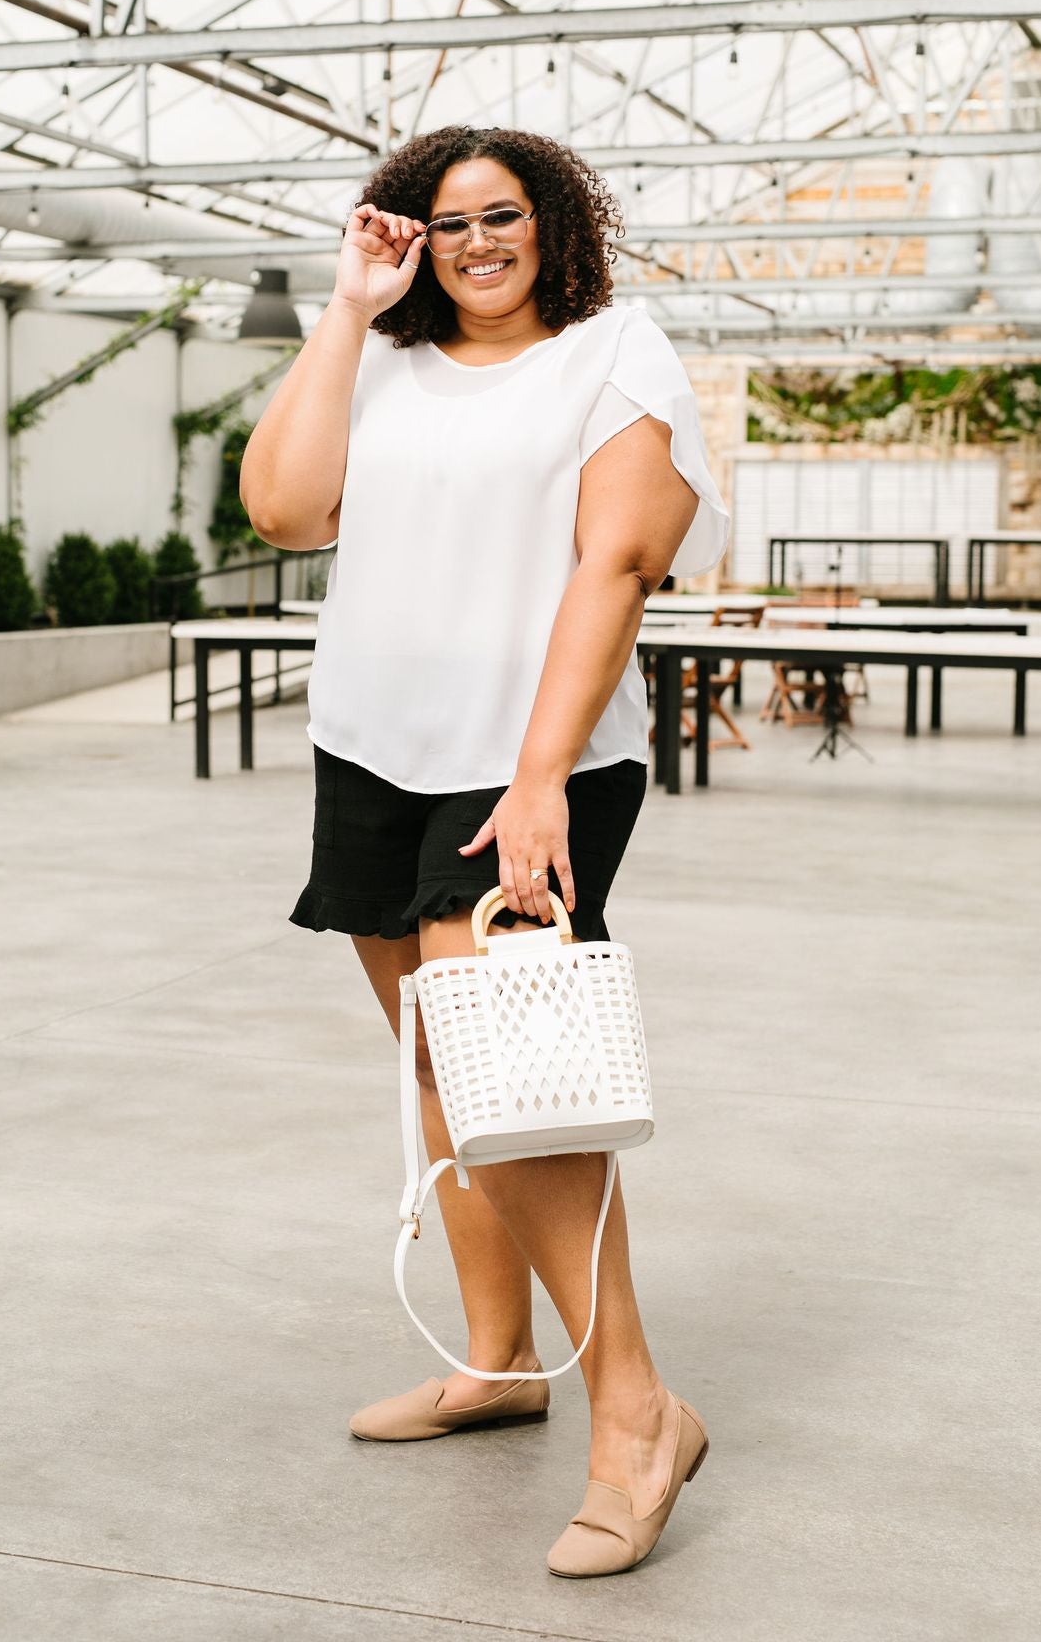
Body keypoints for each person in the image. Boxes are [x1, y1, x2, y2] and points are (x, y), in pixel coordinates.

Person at [239, 125, 729, 1578]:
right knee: (436, 1064)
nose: (475, 243)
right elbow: (284, 509)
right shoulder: (379, 361)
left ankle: (639, 1415)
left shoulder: (616, 352)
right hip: (375, 747)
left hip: (538, 768)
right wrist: (345, 307)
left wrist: (534, 783)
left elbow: (618, 564)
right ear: (411, 238)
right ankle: (503, 1359)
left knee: (513, 1083)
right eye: (442, 224)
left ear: (550, 220)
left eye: (499, 215)